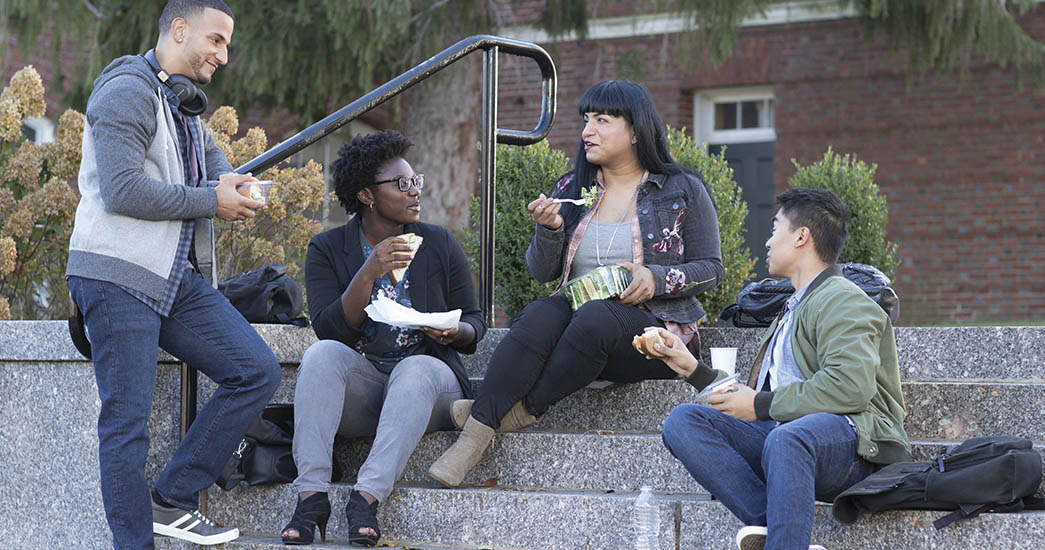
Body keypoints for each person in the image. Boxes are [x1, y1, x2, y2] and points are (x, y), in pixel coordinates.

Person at [428, 79, 724, 487]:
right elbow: (542, 272)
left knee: (597, 316)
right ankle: (474, 441)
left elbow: (711, 268)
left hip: (652, 335)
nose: (588, 131)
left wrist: (655, 279)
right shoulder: (572, 189)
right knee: (539, 313)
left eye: (602, 120)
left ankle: (518, 412)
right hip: (580, 324)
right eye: (586, 120)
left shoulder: (680, 189)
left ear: (636, 129)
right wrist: (549, 229)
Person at [64, 1, 282, 548]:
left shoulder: (183, 105)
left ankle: (174, 496)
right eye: (215, 40)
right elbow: (122, 190)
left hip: (170, 279)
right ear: (178, 30)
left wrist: (238, 189)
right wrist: (212, 200)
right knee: (126, 427)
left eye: (226, 44)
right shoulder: (126, 91)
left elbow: (215, 171)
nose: (222, 55)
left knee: (255, 369)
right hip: (116, 277)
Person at [656, 188, 911, 550]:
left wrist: (761, 405)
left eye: (775, 228)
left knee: (788, 437)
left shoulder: (843, 299)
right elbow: (761, 400)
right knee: (684, 422)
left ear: (801, 236)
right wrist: (693, 369)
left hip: (857, 448)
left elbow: (850, 387)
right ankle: (776, 528)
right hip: (786, 441)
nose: (767, 240)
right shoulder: (792, 308)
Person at [279, 130, 486, 546]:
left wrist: (453, 330)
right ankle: (311, 498)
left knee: (414, 368)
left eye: (416, 182)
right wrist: (368, 271)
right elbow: (330, 329)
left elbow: (476, 325)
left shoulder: (439, 243)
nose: (415, 192)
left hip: (429, 385)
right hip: (368, 388)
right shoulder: (328, 248)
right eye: (402, 184)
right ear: (367, 195)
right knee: (321, 356)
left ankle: (367, 498)